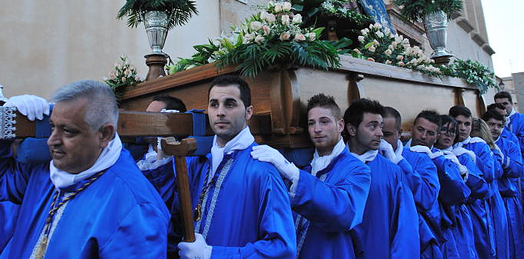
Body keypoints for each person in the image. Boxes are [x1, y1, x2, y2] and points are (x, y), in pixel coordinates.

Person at [0, 80, 170, 258]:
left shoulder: (136, 207)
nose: (52, 141)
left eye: (68, 131)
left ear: (104, 135)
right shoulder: (47, 171)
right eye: (52, 127)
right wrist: (5, 126)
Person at [142, 75, 296, 258]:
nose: (220, 112)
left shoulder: (263, 171)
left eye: (230, 104)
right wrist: (162, 149)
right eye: (214, 104)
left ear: (248, 112)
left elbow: (282, 249)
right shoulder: (196, 164)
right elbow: (167, 217)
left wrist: (211, 254)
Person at [251, 93, 371, 257]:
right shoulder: (306, 167)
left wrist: (293, 173)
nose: (317, 129)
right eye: (311, 123)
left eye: (324, 121)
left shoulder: (358, 170)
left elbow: (344, 214)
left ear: (340, 125)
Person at [343, 98, 419, 258]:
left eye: (381, 127)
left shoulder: (393, 173)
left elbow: (405, 229)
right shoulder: (333, 166)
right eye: (372, 126)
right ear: (351, 129)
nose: (380, 133)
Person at [407, 110, 472, 259]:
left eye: (430, 133)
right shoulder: (396, 152)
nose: (423, 136)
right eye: (420, 130)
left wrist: (440, 163)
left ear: (437, 136)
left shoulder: (441, 158)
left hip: (435, 228)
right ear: (412, 129)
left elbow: (461, 194)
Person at [381, 107, 441, 258]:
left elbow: (428, 198)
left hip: (410, 240)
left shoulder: (419, 158)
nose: (380, 139)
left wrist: (398, 163)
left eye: (386, 135)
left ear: (399, 133)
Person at [494, 91, 524, 256]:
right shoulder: (497, 123)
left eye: (505, 104)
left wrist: (506, 142)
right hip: (508, 176)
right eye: (499, 104)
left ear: (511, 104)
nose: (503, 107)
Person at [436, 115, 487, 259]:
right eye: (444, 130)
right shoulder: (428, 155)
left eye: (452, 131)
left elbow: (482, 188)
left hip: (458, 216)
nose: (448, 134)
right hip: (437, 216)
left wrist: (464, 172)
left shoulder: (461, 156)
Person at [449, 106, 496, 258]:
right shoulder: (445, 143)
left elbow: (490, 174)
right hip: (453, 208)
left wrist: (474, 159)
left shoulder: (478, 145)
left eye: (467, 124)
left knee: (479, 243)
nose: (463, 128)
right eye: (458, 123)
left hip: (475, 206)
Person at [484, 109, 524, 259]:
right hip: (486, 201)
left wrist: (504, 161)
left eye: (499, 125)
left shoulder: (509, 144)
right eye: (491, 124)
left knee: (512, 241)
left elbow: (519, 169)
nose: (495, 128)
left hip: (506, 199)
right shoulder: (478, 144)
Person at [471, 117, 509, 259]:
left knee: (495, 242)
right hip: (480, 204)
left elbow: (495, 172)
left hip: (491, 201)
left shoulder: (492, 151)